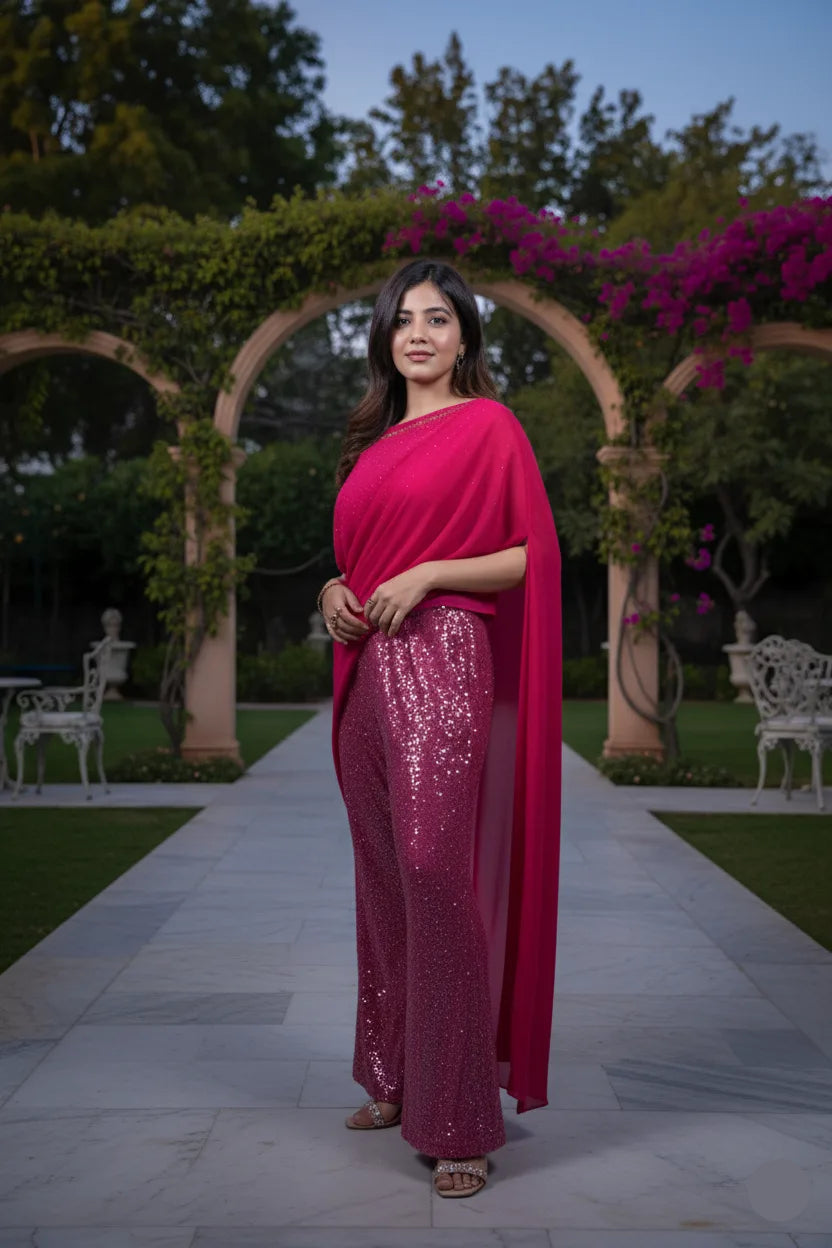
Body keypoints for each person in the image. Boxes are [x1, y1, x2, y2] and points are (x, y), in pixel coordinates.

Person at [317, 258, 562, 1198]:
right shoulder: (368, 447)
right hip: (363, 673)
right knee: (381, 872)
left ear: (465, 337)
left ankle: (459, 1117)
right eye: (403, 320)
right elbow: (353, 557)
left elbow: (527, 555)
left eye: (438, 319)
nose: (418, 333)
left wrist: (429, 575)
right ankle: (392, 1075)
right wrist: (335, 590)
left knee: (432, 866)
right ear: (386, 338)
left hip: (446, 655)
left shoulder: (492, 427)